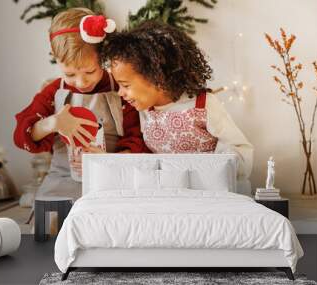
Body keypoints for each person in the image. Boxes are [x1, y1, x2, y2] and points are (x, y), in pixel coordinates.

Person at [101, 21, 254, 193]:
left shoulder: (203, 105)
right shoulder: (145, 110)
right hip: (168, 194)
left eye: (125, 85)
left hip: (208, 193)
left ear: (156, 77)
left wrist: (211, 171)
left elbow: (239, 150)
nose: (120, 93)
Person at [14, 8, 148, 199]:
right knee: (50, 223)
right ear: (56, 58)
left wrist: (107, 161)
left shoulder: (120, 89)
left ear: (103, 57)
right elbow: (21, 136)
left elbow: (138, 141)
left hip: (112, 179)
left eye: (90, 71)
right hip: (62, 182)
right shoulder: (54, 91)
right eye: (70, 74)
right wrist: (53, 123)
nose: (81, 82)